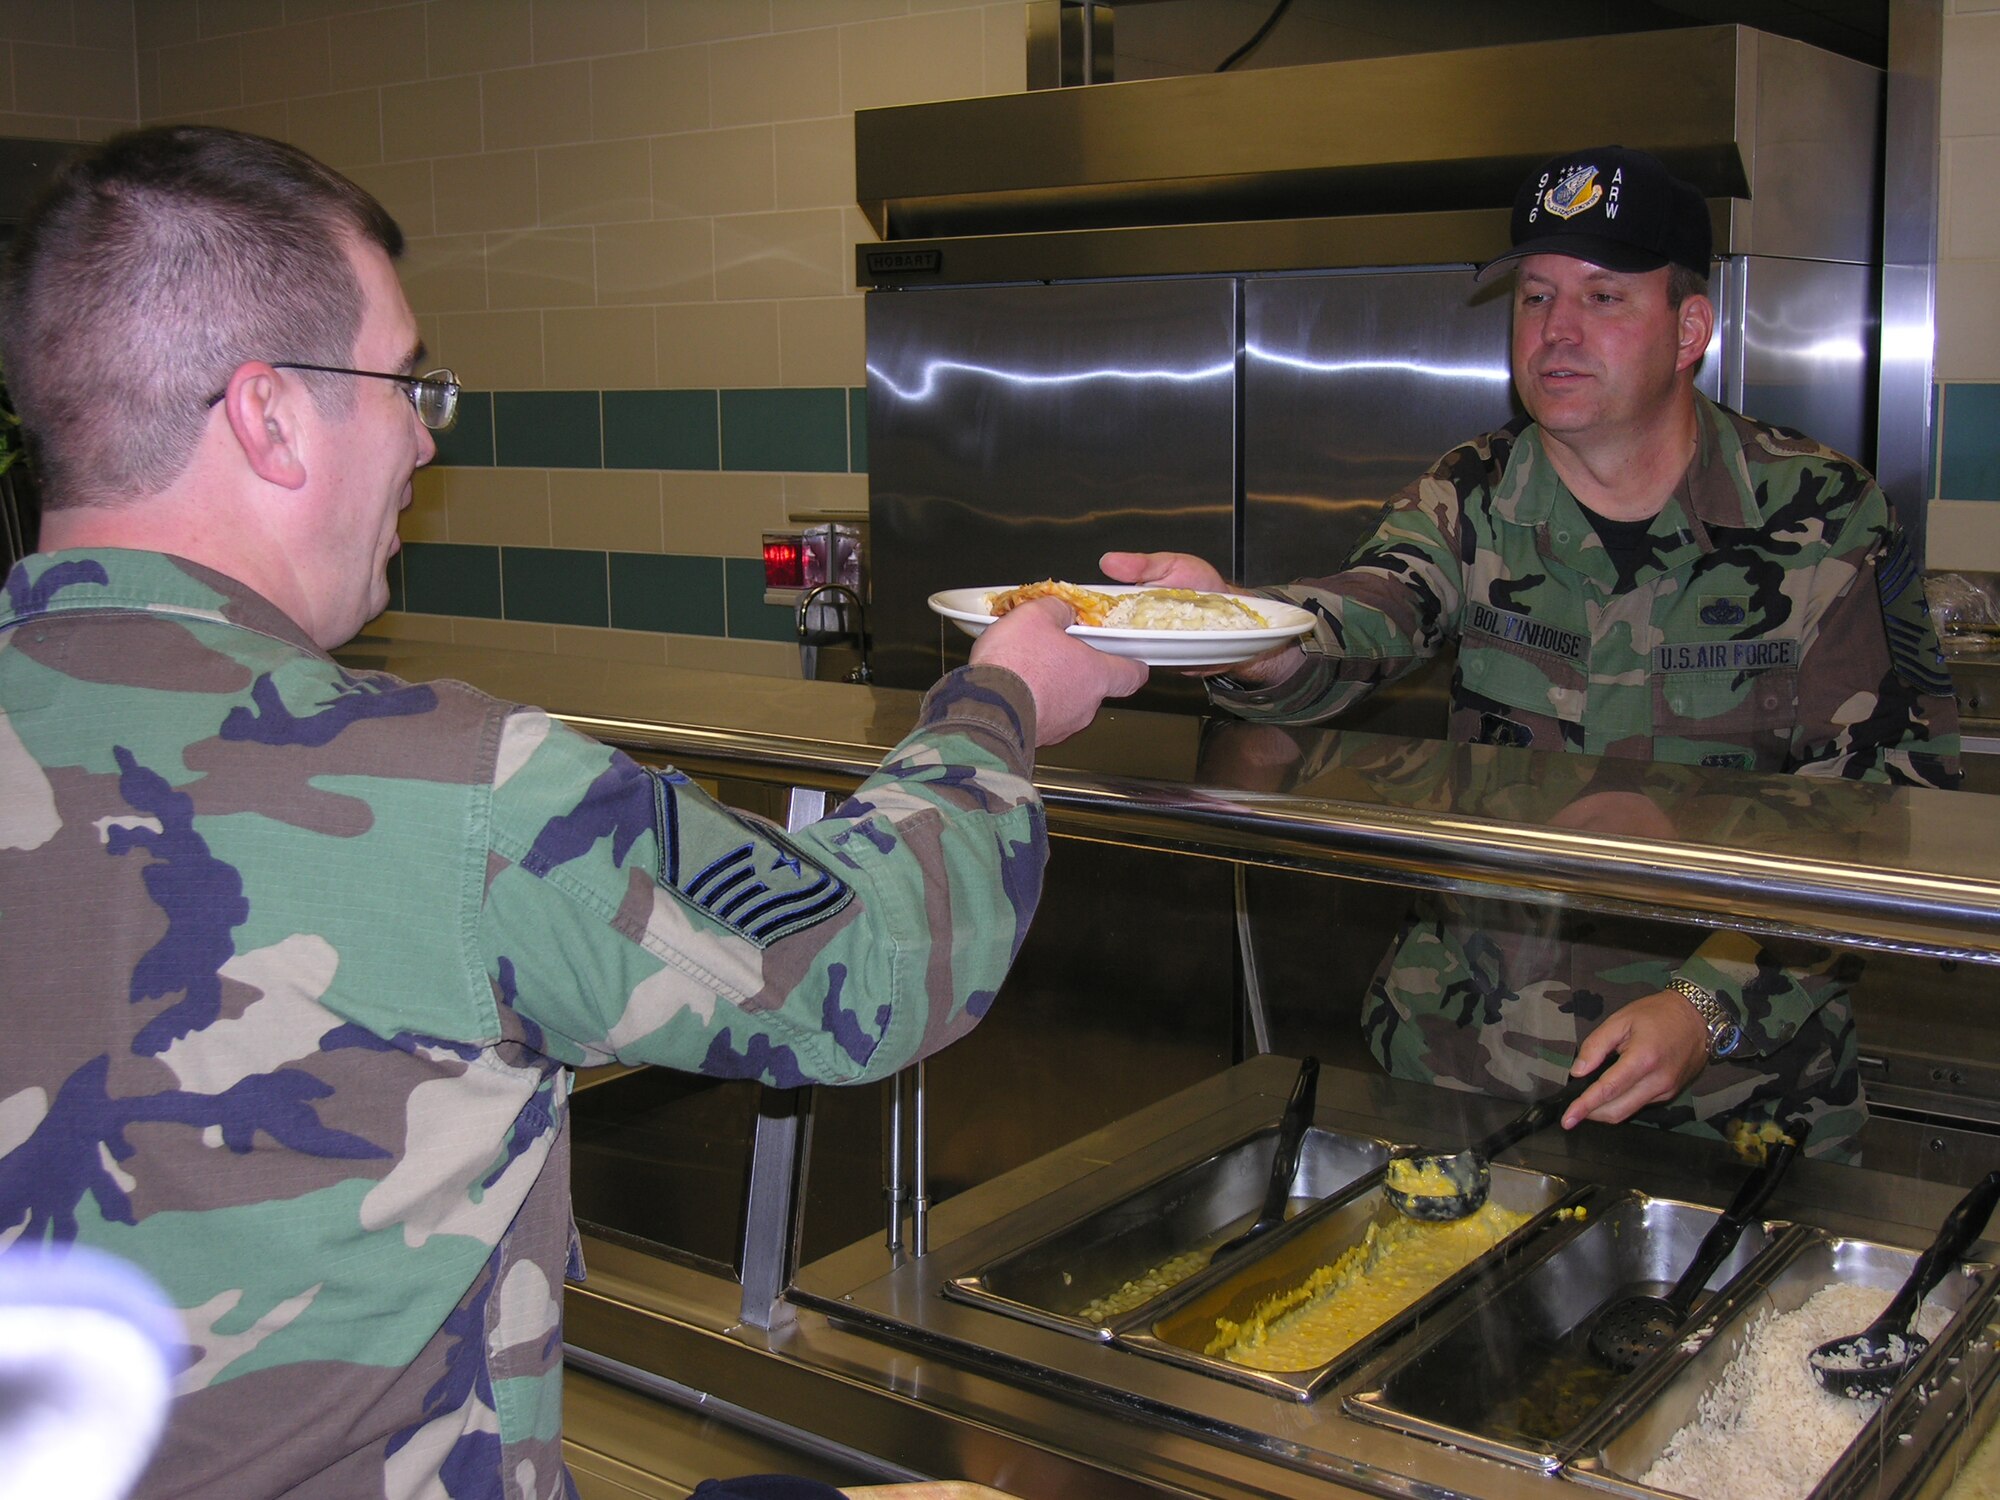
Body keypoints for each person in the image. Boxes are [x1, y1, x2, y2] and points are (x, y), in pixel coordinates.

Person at [0, 125, 1145, 1500]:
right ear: (271, 415)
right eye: (406, 381)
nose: (426, 433)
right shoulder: (446, 792)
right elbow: (879, 959)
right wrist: (999, 702)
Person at [1107, 144, 1960, 1161]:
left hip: (1736, 1101)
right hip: (1465, 1070)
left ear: (1690, 328)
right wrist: (1243, 632)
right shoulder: (1467, 493)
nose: (1555, 332)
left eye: (1602, 298)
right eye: (1535, 297)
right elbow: (1373, 609)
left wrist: (1706, 1004)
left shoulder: (1823, 514)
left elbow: (1889, 807)